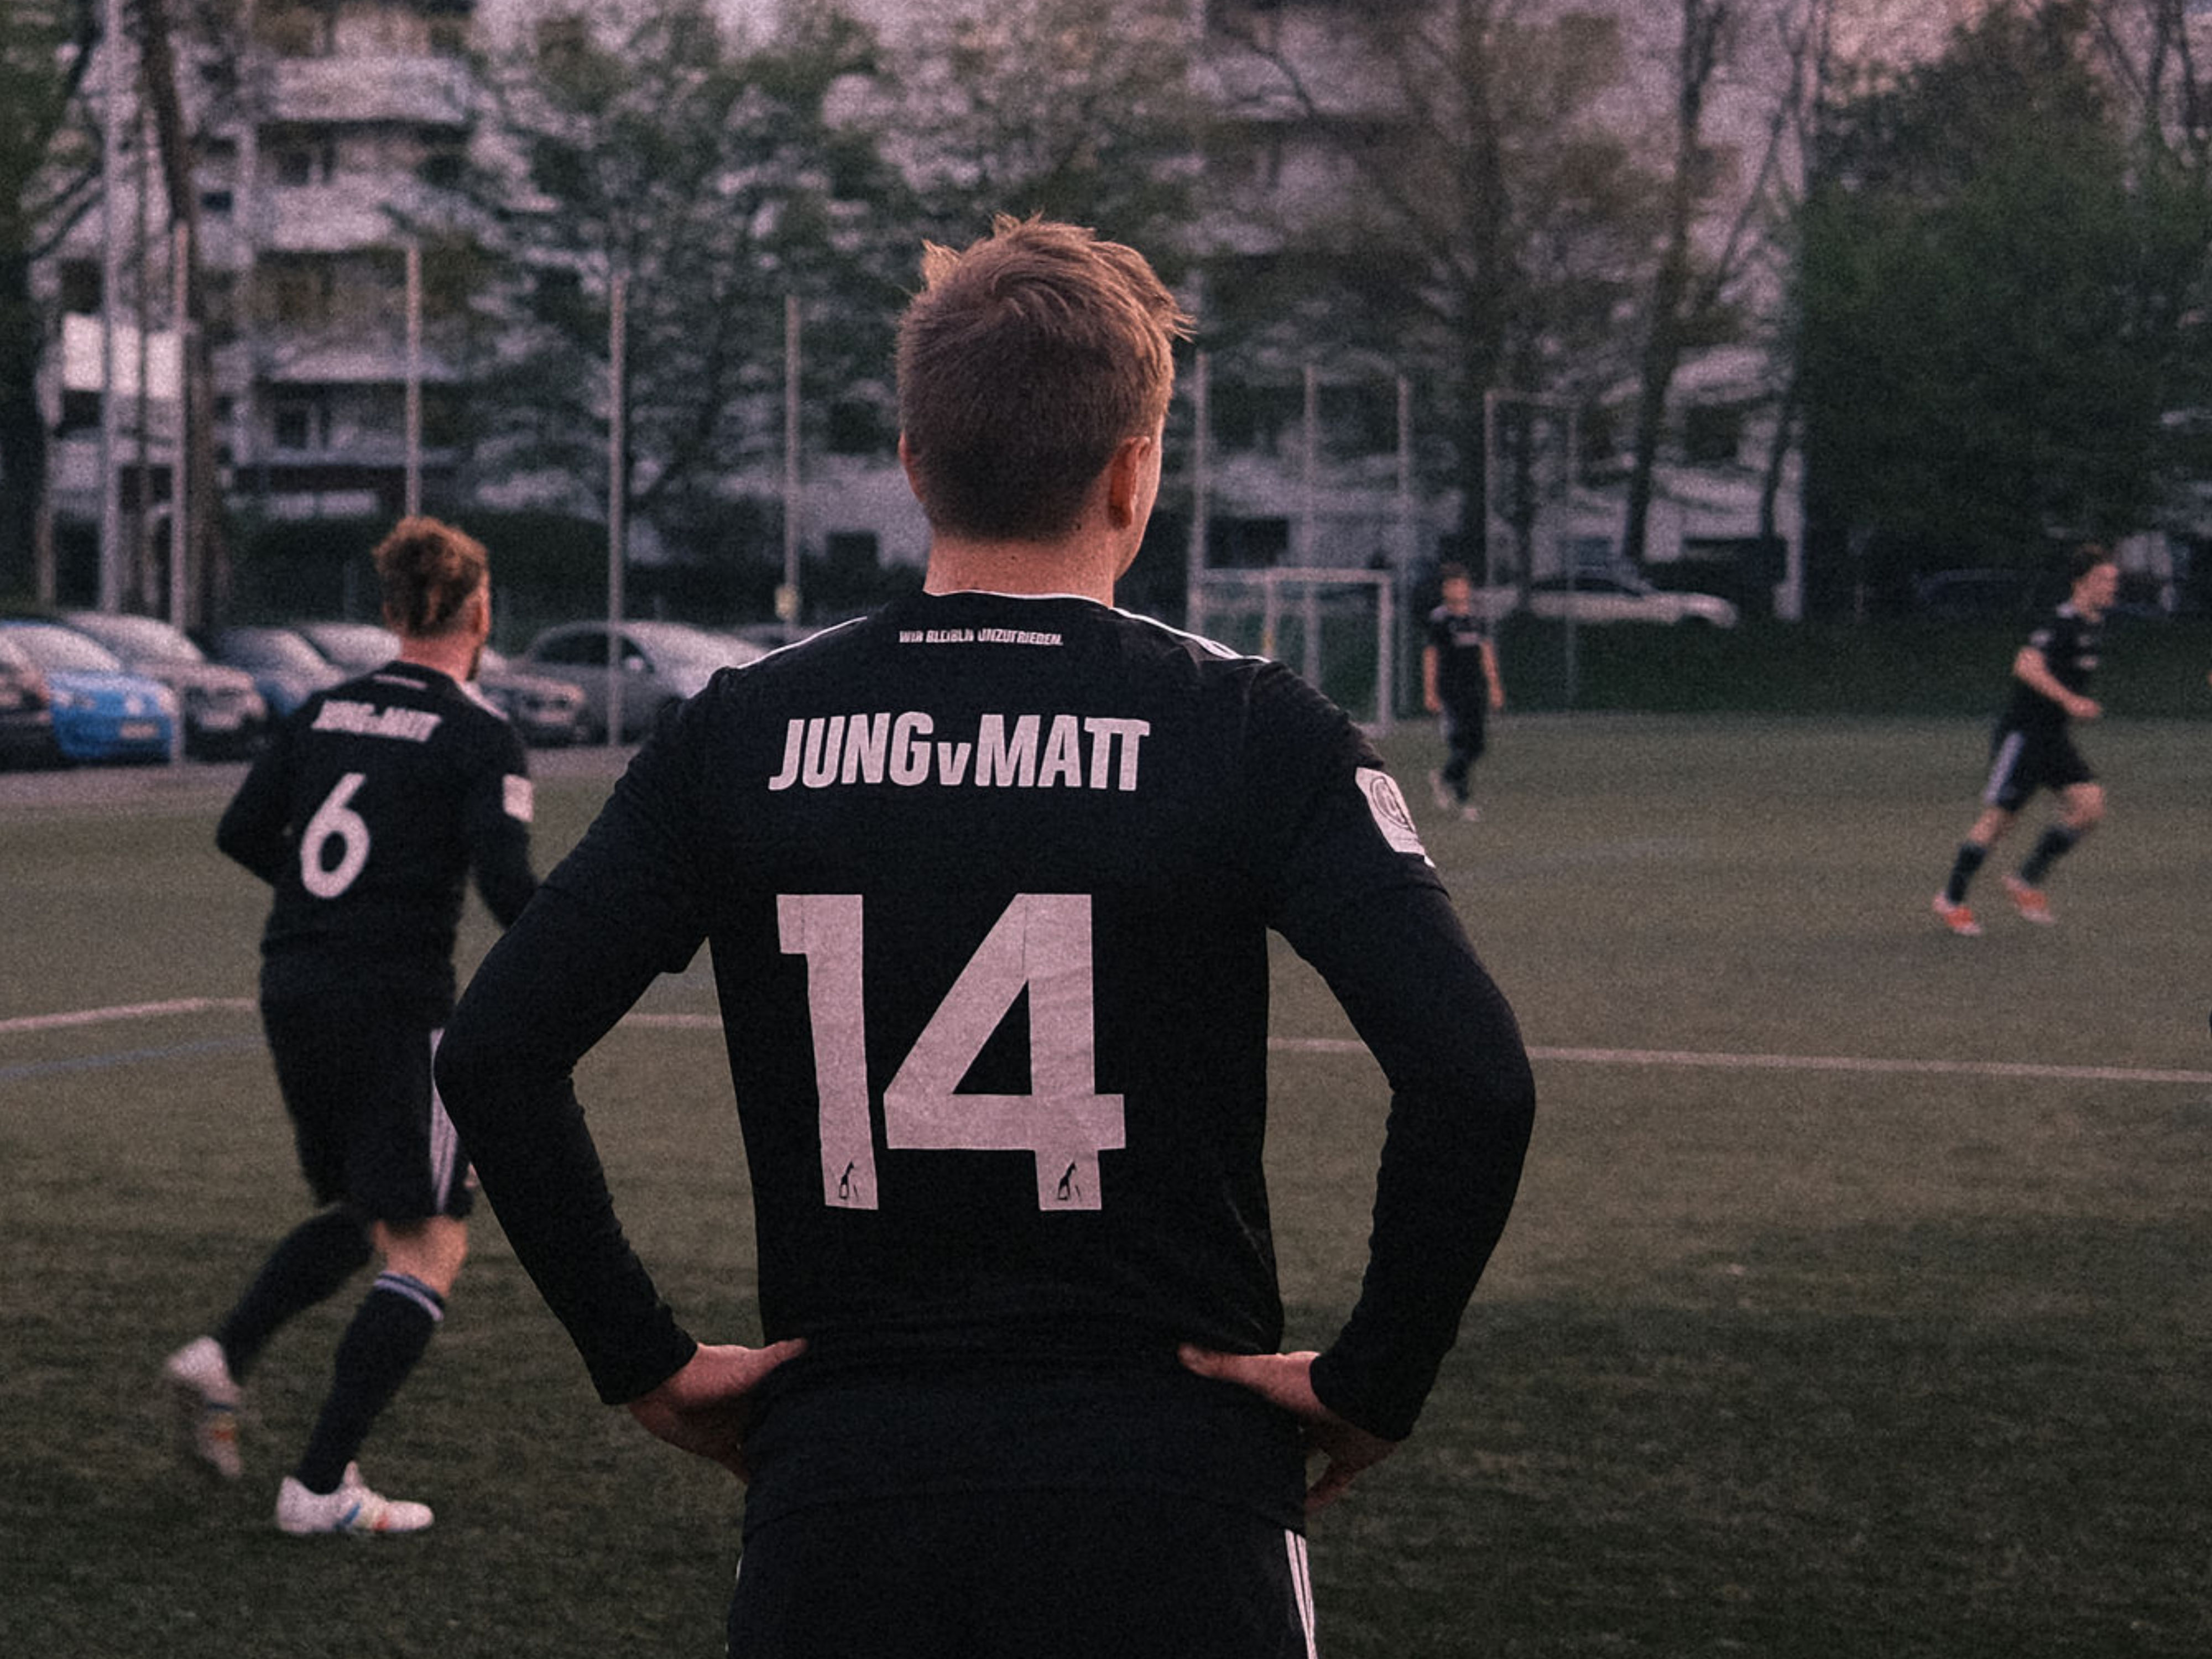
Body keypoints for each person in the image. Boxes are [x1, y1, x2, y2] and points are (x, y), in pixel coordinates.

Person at [434, 216, 1535, 1655]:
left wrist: (641, 1357)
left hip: (847, 1497)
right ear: (1136, 472)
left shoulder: (743, 734)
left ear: (912, 464)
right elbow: (1474, 1076)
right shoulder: (1254, 730)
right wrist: (1376, 1376)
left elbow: (501, 1043)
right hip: (1171, 1492)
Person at [163, 515, 537, 1535]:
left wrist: (332, 902)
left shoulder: (326, 710)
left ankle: (225, 1354)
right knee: (429, 1244)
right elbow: (509, 887)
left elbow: (243, 830)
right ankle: (320, 1484)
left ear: (386, 611)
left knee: (369, 1209)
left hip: (294, 986)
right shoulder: (478, 734)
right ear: (481, 610)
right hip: (394, 1001)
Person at [1932, 542, 2119, 936]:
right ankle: (1951, 899)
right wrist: (2070, 700)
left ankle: (2024, 881)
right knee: (2000, 820)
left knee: (2090, 807)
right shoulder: (2060, 621)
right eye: (2105, 579)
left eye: (2113, 580)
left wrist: (2070, 706)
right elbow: (2025, 665)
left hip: (2054, 737)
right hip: (2024, 736)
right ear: (2082, 582)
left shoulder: (2092, 624)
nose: (2112, 587)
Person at [1421, 562, 1506, 820]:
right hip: (1450, 689)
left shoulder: (1475, 618)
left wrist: (1494, 686)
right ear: (1445, 589)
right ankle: (1465, 801)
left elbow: (1486, 652)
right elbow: (1431, 655)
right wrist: (1430, 692)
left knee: (1478, 746)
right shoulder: (1440, 619)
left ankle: (1444, 777)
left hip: (1474, 689)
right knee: (1461, 742)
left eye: (1461, 584)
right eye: (1452, 585)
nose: (1458, 589)